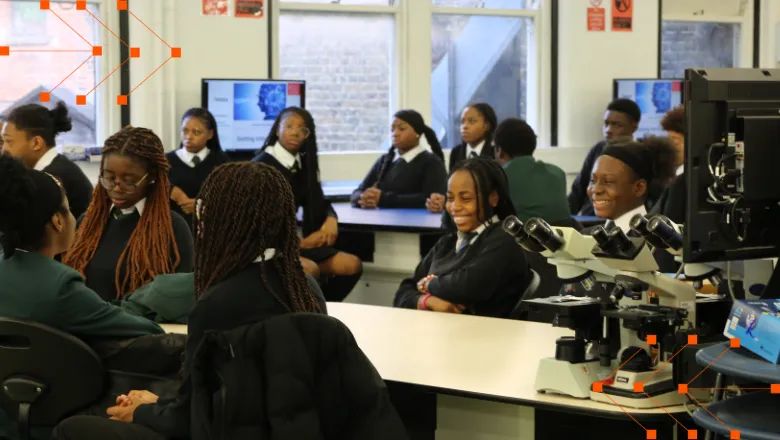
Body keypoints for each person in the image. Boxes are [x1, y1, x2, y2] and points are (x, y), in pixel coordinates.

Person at [52, 162, 327, 440]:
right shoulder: (306, 289)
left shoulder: (215, 305)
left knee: (71, 428)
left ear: (215, 221)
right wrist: (160, 402)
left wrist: (142, 411)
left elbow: (189, 420)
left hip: (218, 429)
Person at [62, 126, 194, 301]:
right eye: (109, 178)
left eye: (129, 181)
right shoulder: (87, 223)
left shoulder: (173, 228)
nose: (116, 188)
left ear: (152, 177)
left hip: (144, 327)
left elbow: (178, 299)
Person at [393, 158, 533, 318]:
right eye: (450, 198)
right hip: (442, 332)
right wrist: (427, 302)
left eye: (466, 199)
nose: (455, 207)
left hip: (487, 336)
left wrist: (428, 283)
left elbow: (467, 287)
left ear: (493, 198)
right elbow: (403, 292)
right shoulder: (448, 242)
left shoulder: (505, 238)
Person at [253, 107, 362, 302]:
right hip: (266, 248)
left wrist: (331, 218)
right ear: (277, 130)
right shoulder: (260, 167)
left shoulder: (301, 164)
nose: (295, 132)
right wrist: (299, 243)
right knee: (310, 270)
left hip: (292, 245)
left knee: (351, 265)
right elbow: (256, 222)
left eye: (302, 129)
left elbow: (319, 199)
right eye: (289, 126)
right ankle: (309, 314)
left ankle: (322, 311)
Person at [1, 102, 93, 219]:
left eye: (9, 142)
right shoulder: (57, 165)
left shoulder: (52, 178)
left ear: (36, 143)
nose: (4, 150)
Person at [351, 110, 447, 209]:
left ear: (417, 133)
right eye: (392, 129)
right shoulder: (384, 160)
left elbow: (429, 198)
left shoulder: (431, 162)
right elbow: (358, 191)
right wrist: (363, 199)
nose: (395, 134)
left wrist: (384, 199)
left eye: (401, 129)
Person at [568, 98, 642, 216]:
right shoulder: (598, 148)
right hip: (591, 220)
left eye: (616, 125)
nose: (608, 130)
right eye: (606, 124)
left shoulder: (642, 153)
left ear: (634, 127)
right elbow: (578, 191)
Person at [587, 137, 679, 232]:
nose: (596, 189)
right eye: (592, 180)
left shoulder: (660, 236)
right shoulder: (584, 236)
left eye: (608, 181)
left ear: (639, 188)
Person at [493, 118, 570, 223]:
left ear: (499, 151)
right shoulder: (558, 173)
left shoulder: (498, 177)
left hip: (520, 237)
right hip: (563, 237)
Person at [427, 103, 497, 213]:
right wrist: (443, 200)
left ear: (487, 126)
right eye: (462, 122)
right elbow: (451, 187)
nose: (465, 126)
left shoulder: (495, 153)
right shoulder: (456, 152)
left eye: (472, 121)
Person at [167, 108, 229, 230]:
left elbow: (229, 198)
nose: (188, 137)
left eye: (196, 132)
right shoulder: (166, 162)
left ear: (210, 134)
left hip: (211, 231)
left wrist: (201, 205)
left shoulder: (222, 162)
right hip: (174, 230)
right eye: (185, 131)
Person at [650, 105, 686, 223]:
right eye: (668, 141)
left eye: (675, 142)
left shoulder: (682, 182)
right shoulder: (670, 177)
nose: (669, 148)